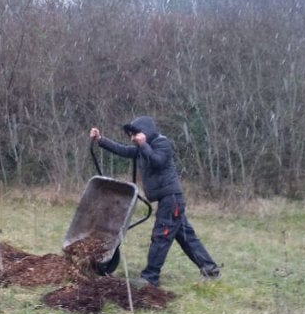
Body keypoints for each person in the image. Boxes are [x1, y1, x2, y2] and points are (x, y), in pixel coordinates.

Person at [89, 115, 221, 287]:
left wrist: (143, 144)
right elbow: (123, 150)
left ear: (145, 132)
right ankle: (210, 269)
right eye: (131, 135)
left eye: (134, 134)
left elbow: (157, 161)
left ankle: (150, 277)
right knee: (186, 237)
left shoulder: (161, 143)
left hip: (171, 199)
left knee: (161, 236)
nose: (132, 138)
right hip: (168, 199)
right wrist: (101, 140)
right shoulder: (141, 148)